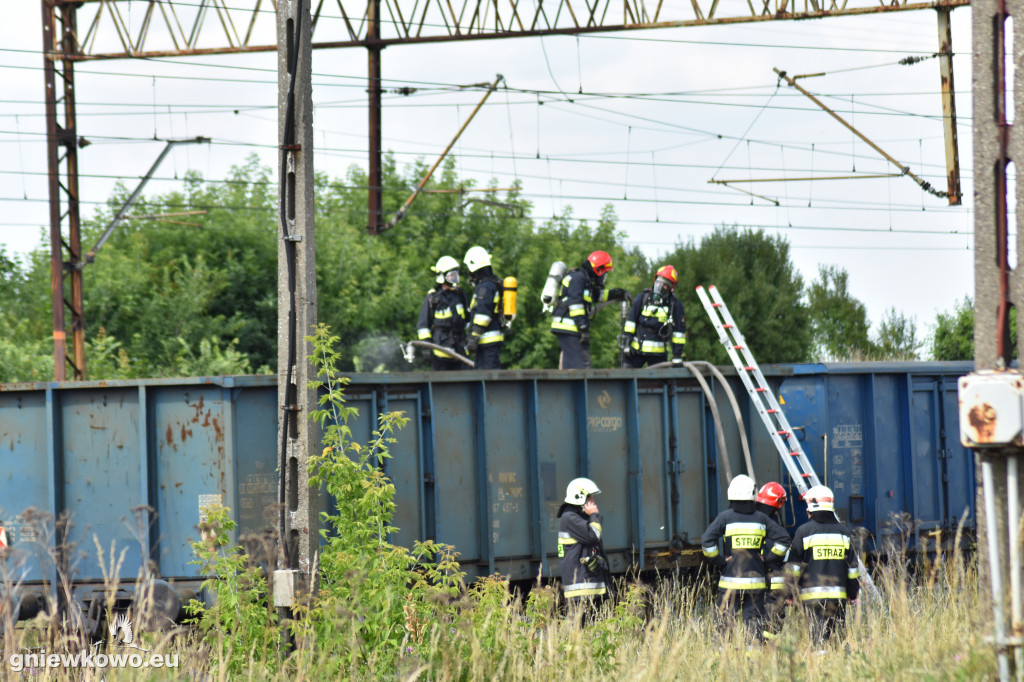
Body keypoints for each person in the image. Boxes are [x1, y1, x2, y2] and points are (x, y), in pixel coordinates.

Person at [701, 474, 790, 642]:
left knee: (723, 623)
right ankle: (753, 654)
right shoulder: (762, 519)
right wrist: (768, 558)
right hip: (755, 583)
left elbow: (707, 541)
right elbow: (784, 540)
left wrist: (719, 560)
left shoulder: (725, 518)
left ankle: (721, 653)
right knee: (754, 624)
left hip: (730, 583)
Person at [785, 485, 860, 647]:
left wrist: (789, 592)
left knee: (817, 640)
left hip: (812, 598)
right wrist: (852, 593)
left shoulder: (803, 532)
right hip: (838, 597)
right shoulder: (844, 533)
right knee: (838, 640)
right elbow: (853, 569)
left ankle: (820, 660)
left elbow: (793, 567)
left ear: (812, 506)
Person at [550, 250, 629, 369]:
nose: (604, 277)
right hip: (568, 327)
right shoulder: (579, 278)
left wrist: (618, 293)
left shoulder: (586, 281)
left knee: (572, 365)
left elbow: (597, 295)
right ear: (599, 270)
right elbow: (575, 303)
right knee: (582, 365)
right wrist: (583, 327)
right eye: (605, 273)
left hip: (571, 328)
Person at [556, 477, 609, 616]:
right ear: (579, 497)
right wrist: (594, 515)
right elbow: (593, 536)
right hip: (581, 588)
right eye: (590, 497)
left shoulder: (577, 517)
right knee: (581, 625)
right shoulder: (570, 518)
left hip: (587, 585)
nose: (592, 500)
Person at [621, 264, 686, 368]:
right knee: (625, 377)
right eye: (658, 282)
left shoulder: (675, 305)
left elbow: (679, 333)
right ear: (655, 281)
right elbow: (630, 323)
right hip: (635, 353)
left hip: (658, 356)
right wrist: (626, 343)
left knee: (662, 379)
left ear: (670, 287)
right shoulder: (642, 298)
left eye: (665, 284)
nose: (660, 286)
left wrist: (677, 356)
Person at [416, 255, 470, 371]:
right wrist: (426, 347)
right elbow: (423, 326)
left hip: (461, 350)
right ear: (442, 276)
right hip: (440, 352)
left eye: (455, 275)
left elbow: (468, 320)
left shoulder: (460, 295)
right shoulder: (433, 298)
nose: (454, 278)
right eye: (451, 275)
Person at [754, 481, 791, 640]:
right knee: (773, 619)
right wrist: (769, 559)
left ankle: (758, 642)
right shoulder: (774, 526)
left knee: (756, 615)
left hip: (754, 577)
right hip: (774, 578)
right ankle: (769, 645)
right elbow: (783, 551)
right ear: (779, 503)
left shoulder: (752, 519)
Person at [463, 245, 504, 370]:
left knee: (488, 377)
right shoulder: (491, 284)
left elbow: (483, 315)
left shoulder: (485, 287)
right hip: (487, 342)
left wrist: (474, 337)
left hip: (487, 340)